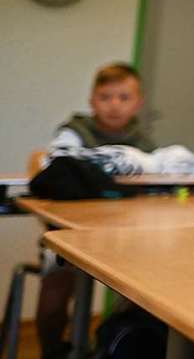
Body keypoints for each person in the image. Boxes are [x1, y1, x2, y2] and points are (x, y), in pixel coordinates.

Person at [37, 63, 155, 359]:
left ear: (138, 103)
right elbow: (46, 166)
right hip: (68, 235)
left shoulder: (143, 144)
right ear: (92, 101)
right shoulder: (74, 133)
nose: (114, 105)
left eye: (124, 97)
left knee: (147, 290)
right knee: (53, 300)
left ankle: (108, 346)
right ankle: (52, 350)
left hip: (125, 239)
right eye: (106, 97)